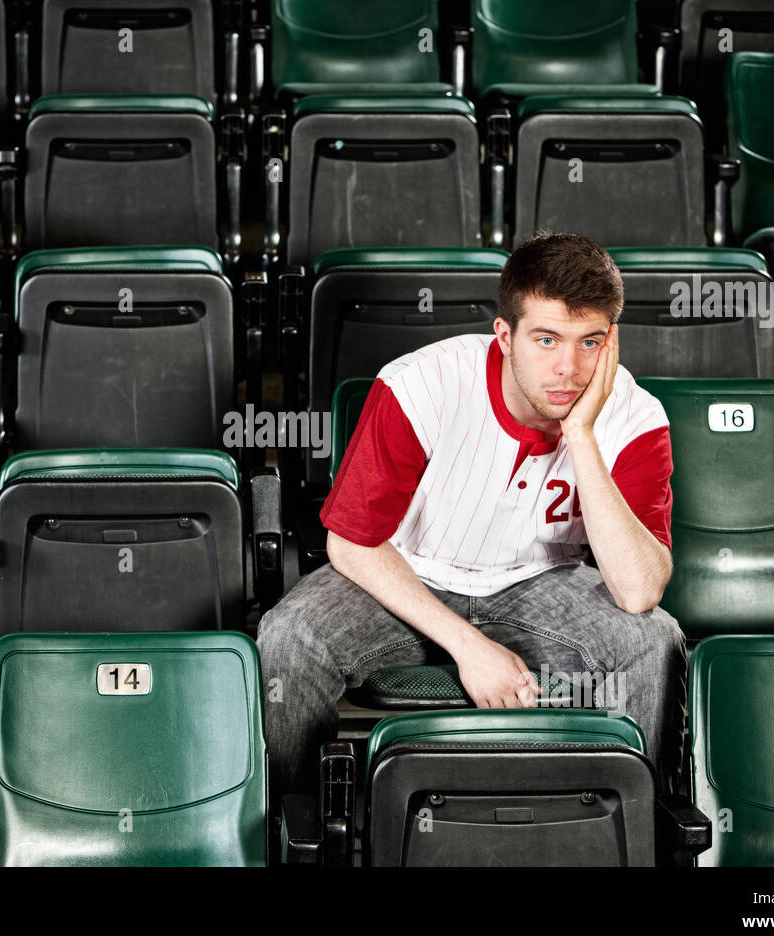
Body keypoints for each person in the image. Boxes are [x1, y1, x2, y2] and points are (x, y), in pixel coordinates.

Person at [258, 231, 687, 798]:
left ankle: (631, 832)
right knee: (289, 636)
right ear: (505, 336)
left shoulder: (637, 418)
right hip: (408, 577)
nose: (569, 368)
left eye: (590, 343)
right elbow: (351, 544)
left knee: (653, 641)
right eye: (547, 339)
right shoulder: (421, 384)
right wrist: (470, 648)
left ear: (612, 341)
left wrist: (579, 433)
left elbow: (637, 593)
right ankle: (298, 835)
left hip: (541, 583)